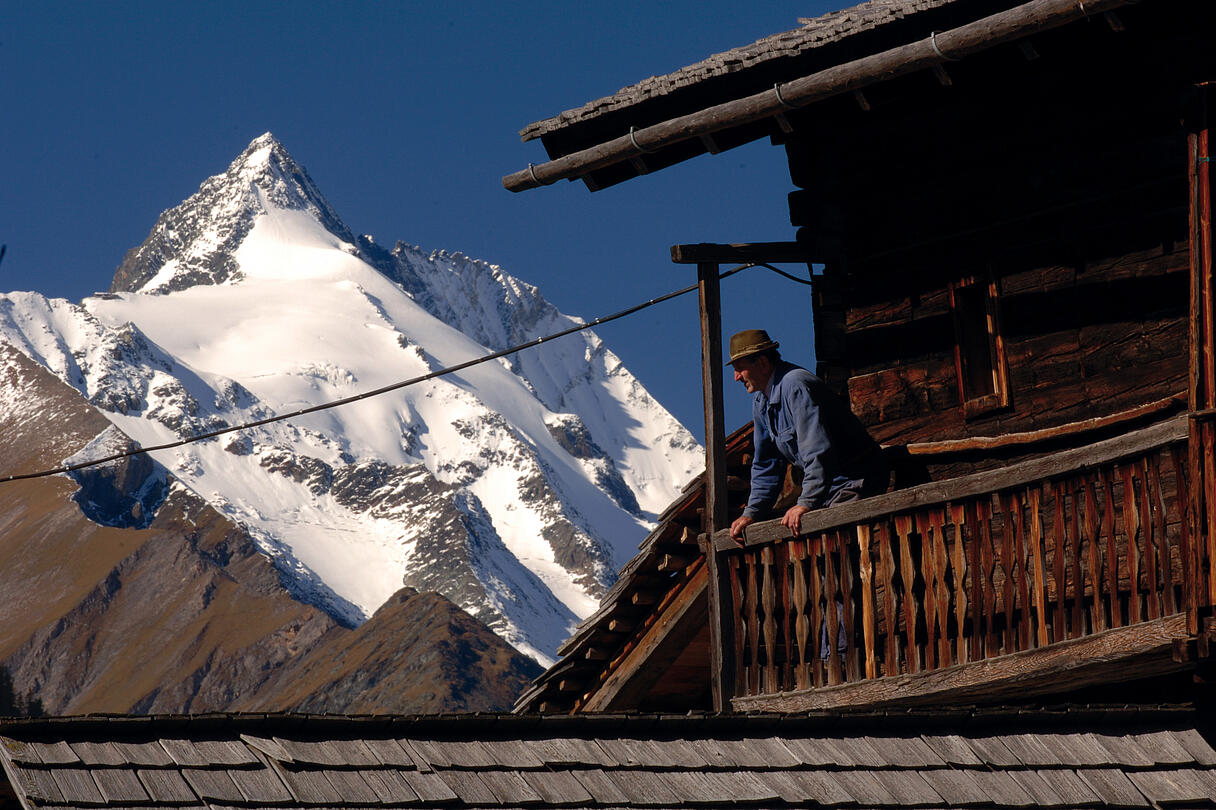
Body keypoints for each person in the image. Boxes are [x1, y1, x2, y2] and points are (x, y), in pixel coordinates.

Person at [727, 329, 887, 543]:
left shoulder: (796, 385)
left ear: (763, 363)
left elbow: (817, 449)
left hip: (854, 481)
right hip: (829, 489)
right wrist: (751, 513)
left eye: (740, 369)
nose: (736, 377)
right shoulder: (761, 402)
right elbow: (766, 465)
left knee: (836, 547)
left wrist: (807, 501)